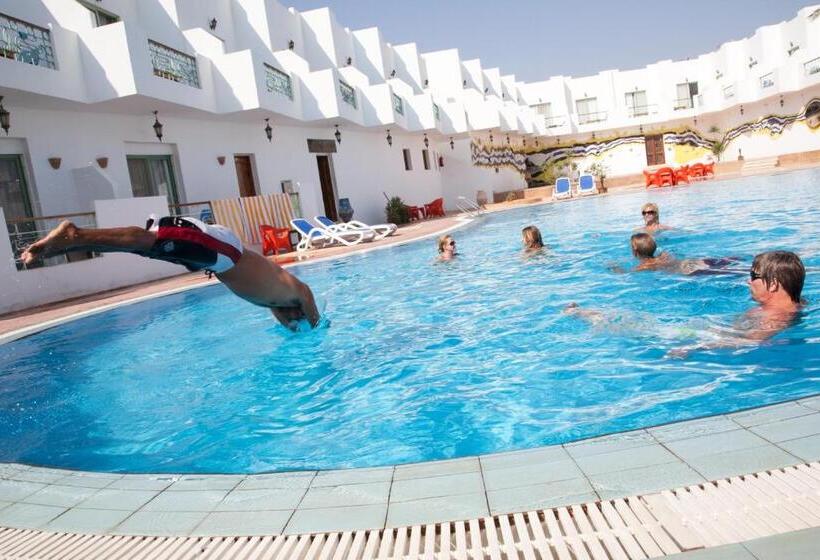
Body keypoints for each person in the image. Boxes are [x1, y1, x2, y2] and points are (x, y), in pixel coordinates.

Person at [20, 217, 320, 330]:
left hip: (216, 259)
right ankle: (75, 234)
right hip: (225, 252)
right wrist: (317, 324)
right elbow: (307, 296)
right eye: (298, 318)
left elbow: (284, 318)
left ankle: (75, 240)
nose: (294, 321)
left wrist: (294, 327)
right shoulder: (294, 291)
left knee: (148, 249)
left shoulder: (273, 301)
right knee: (151, 241)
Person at [668, 251, 806, 357]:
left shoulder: (775, 317)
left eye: (753, 276)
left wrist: (694, 348)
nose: (748, 281)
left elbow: (750, 342)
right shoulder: (799, 303)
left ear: (773, 285)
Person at [620, 233, 739, 275]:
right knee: (729, 262)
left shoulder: (645, 266)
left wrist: (615, 269)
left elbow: (628, 273)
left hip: (687, 270)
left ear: (635, 250)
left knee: (726, 272)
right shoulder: (662, 255)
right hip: (691, 262)